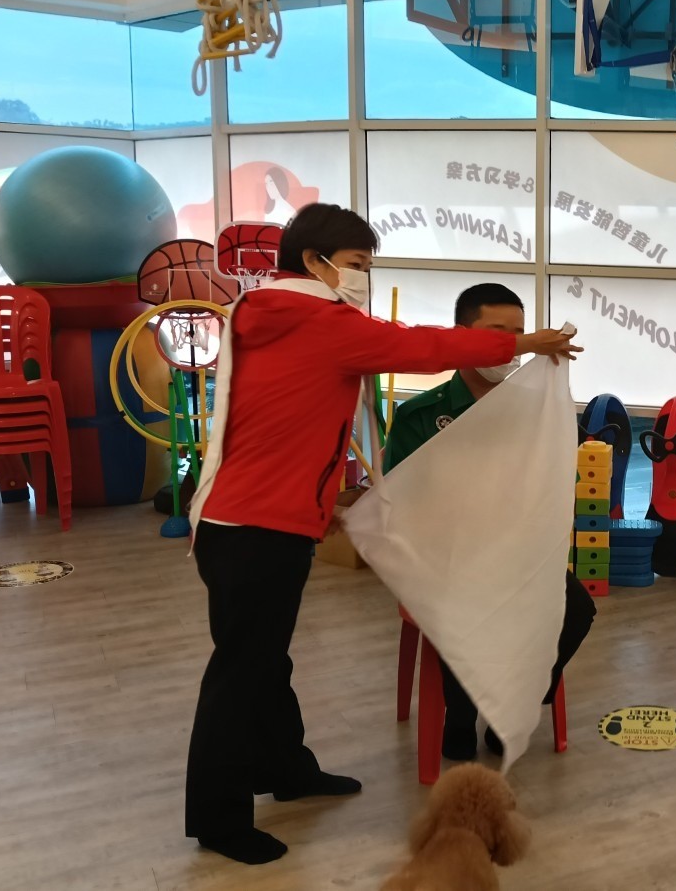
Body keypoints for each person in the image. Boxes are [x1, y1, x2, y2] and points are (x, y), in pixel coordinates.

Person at [184, 205, 579, 865]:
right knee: (241, 673)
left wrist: (322, 502)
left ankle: (286, 768)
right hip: (257, 526)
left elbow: (291, 425)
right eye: (356, 264)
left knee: (264, 661)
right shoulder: (320, 322)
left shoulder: (269, 312)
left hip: (249, 520)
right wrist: (525, 343)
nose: (362, 277)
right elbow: (422, 346)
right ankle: (218, 818)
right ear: (314, 262)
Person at [382, 283, 597, 762]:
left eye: (519, 334)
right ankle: (461, 717)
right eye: (497, 333)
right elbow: (399, 500)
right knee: (465, 613)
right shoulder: (422, 415)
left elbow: (559, 487)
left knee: (577, 610)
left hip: (518, 555)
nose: (512, 346)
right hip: (444, 560)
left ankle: (514, 704)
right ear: (462, 335)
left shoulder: (538, 411)